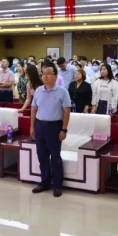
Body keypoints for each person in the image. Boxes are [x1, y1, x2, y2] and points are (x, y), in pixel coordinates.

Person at [30, 62, 71, 198]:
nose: (45, 76)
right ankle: (45, 182)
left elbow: (66, 111)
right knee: (42, 155)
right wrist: (32, 126)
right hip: (40, 126)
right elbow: (34, 109)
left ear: (55, 76)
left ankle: (58, 185)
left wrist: (64, 129)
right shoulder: (38, 90)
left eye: (48, 73)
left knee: (55, 157)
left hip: (54, 127)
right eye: (43, 73)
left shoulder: (62, 91)